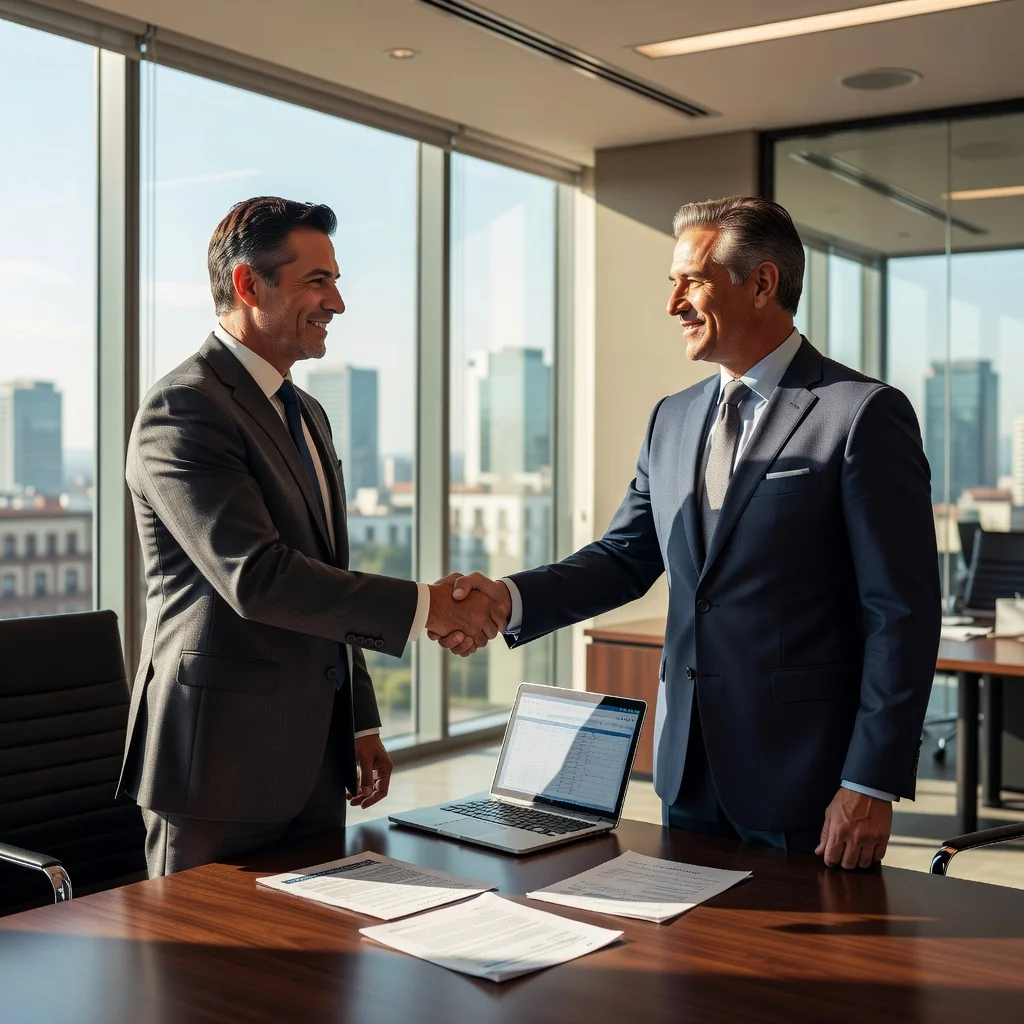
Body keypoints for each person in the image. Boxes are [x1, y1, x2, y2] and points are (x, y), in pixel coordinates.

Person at [438, 196, 941, 870]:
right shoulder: (671, 419)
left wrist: (870, 780)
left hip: (807, 777)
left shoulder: (861, 414)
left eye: (693, 281)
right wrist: (507, 599)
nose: (673, 303)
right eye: (672, 282)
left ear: (762, 284)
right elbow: (624, 557)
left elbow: (902, 613)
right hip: (687, 771)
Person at [119, 196, 504, 876]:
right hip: (218, 769)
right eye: (317, 282)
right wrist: (428, 607)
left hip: (315, 763)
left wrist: (359, 719)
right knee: (205, 949)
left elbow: (327, 572)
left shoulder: (308, 414)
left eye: (335, 281)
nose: (338, 304)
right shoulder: (184, 408)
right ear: (248, 284)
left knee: (319, 943)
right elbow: (258, 577)